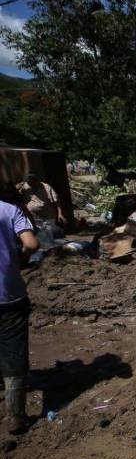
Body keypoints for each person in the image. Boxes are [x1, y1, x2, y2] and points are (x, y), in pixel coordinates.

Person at [0, 184, 39, 434]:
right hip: (8, 293)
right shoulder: (10, 210)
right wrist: (20, 258)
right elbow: (32, 244)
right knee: (13, 350)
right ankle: (15, 416)